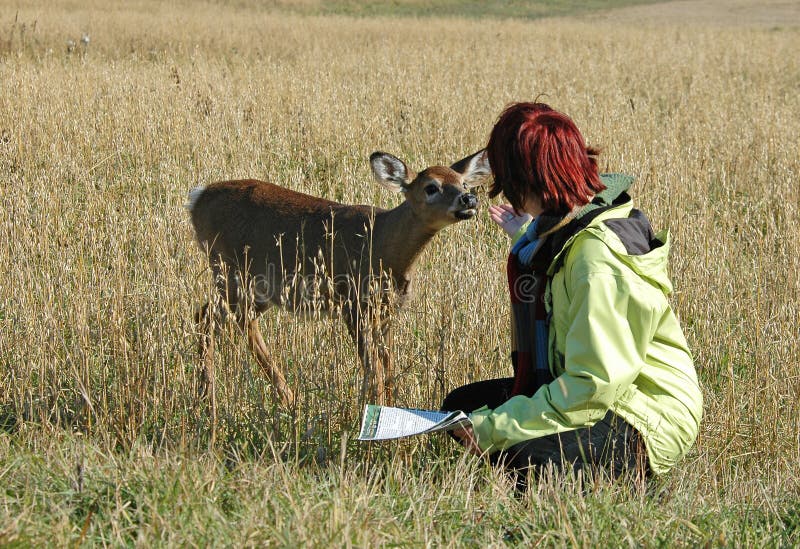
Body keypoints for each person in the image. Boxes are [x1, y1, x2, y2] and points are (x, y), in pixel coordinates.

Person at [443, 102, 703, 490]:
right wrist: (522, 236)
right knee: (459, 408)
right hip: (600, 390)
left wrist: (495, 429)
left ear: (525, 179)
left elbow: (594, 384)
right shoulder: (572, 223)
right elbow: (555, 266)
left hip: (642, 415)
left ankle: (625, 480)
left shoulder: (598, 262)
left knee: (524, 459)